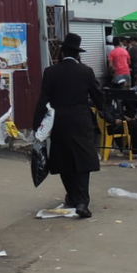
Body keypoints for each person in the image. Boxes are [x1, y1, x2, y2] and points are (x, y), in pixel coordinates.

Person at [35, 33, 106, 218]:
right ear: (77, 54)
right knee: (82, 161)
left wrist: (37, 125)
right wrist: (109, 115)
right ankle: (82, 201)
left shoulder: (50, 72)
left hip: (59, 122)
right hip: (81, 121)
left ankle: (73, 197)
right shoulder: (86, 71)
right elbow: (98, 96)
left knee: (63, 160)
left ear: (62, 51)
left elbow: (43, 100)